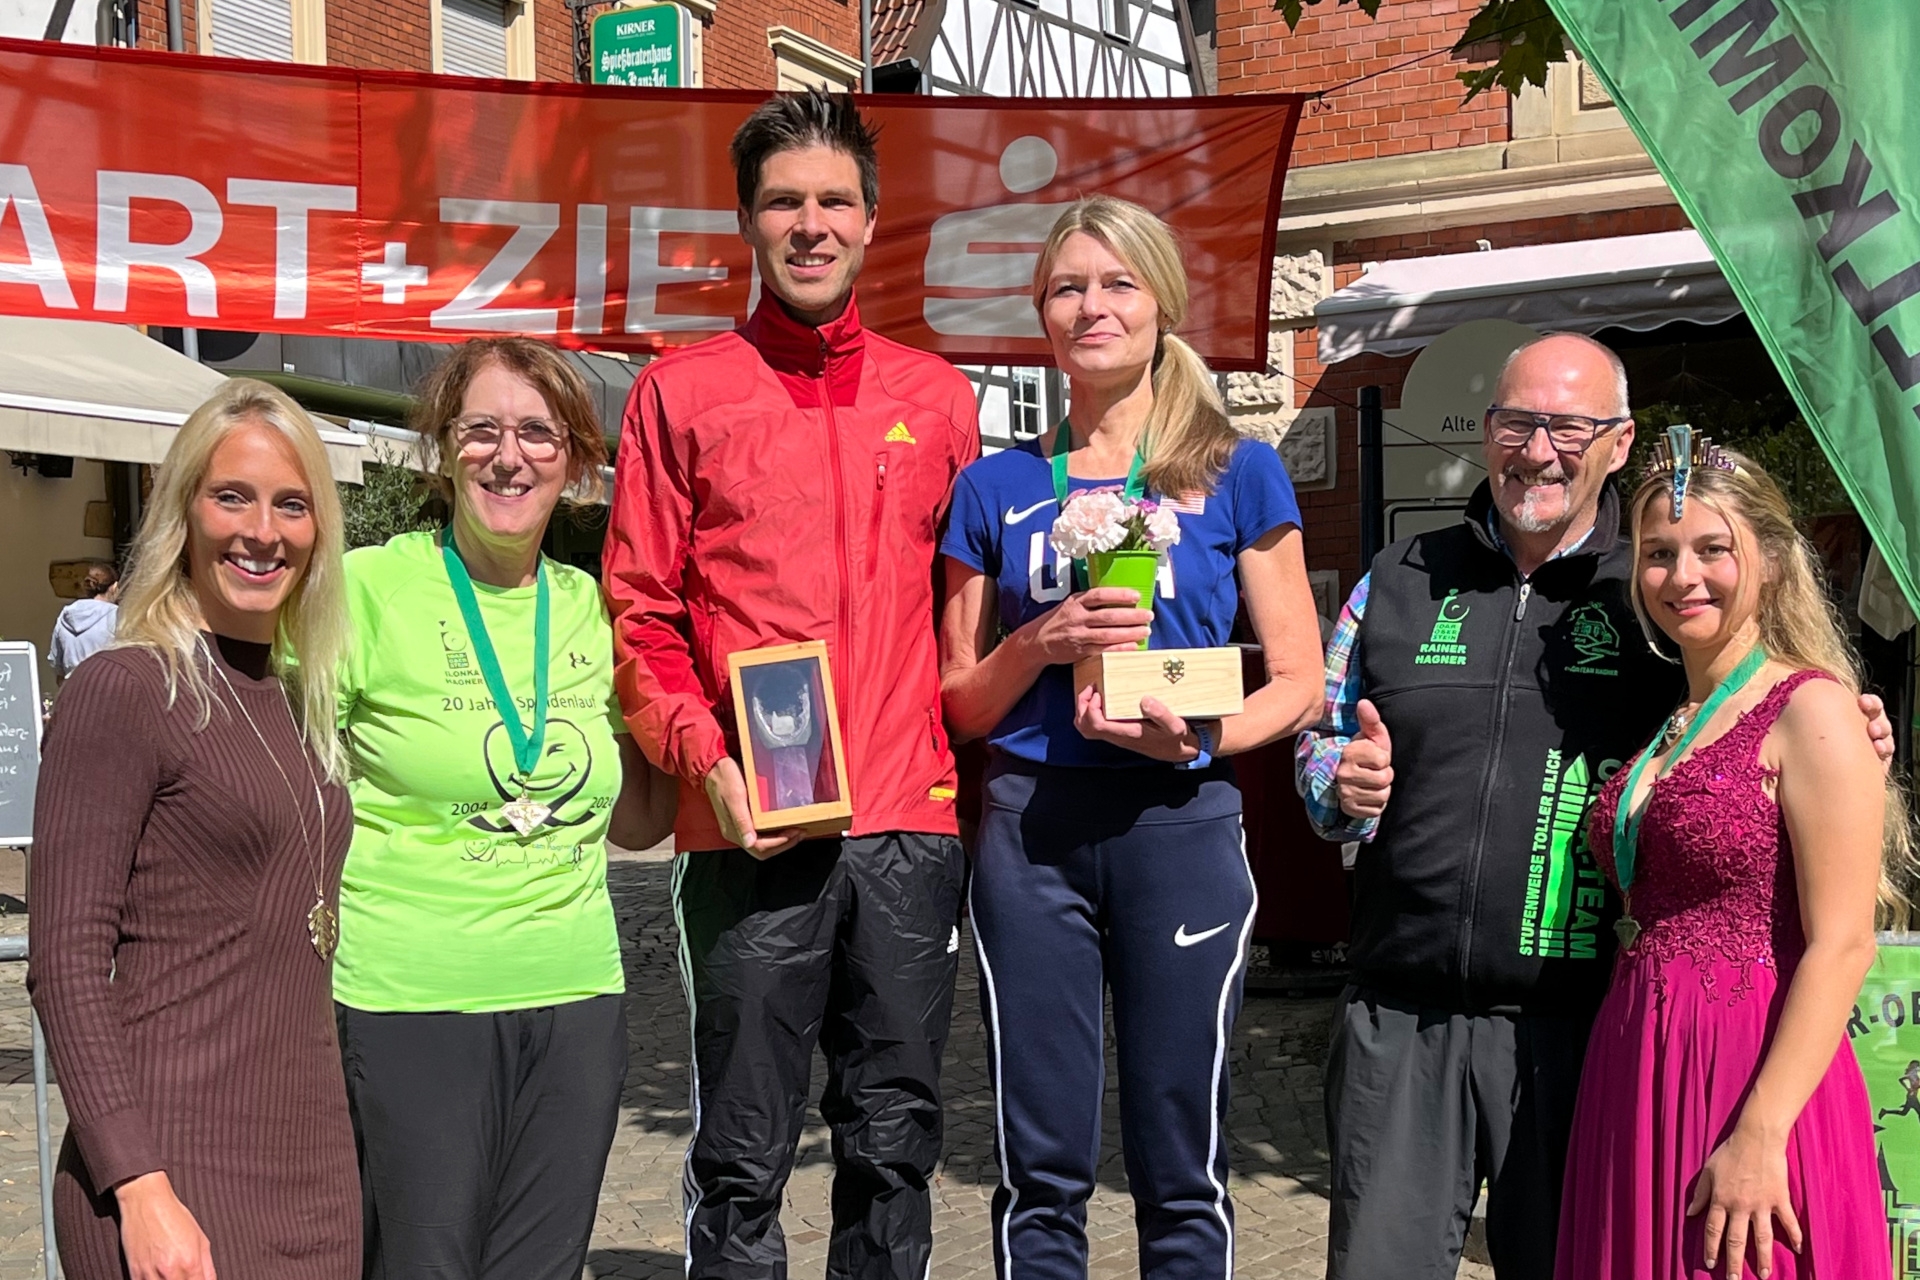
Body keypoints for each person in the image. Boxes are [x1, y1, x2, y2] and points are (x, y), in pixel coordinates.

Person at [1293, 332, 1894, 1280]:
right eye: (1518, 423)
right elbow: (1321, 736)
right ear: (1488, 432)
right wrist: (1338, 784)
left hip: (1578, 1032)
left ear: (1617, 442)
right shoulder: (1398, 577)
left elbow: (1756, 731)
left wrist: (1850, 732)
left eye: (1568, 427)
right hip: (1402, 1014)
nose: (1538, 450)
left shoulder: (1653, 595)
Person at [603, 89, 979, 1280]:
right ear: (747, 222)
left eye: (832, 200)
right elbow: (641, 612)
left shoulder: (939, 400)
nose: (809, 224)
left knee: (894, 1144)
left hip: (910, 825)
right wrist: (701, 756)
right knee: (742, 1153)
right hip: (748, 830)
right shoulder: (684, 392)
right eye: (783, 202)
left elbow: (972, 616)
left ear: (871, 221)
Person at [937, 195, 1325, 1280]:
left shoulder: (1237, 471)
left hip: (1180, 824)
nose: (1092, 306)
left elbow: (1296, 677)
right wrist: (1040, 642)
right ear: (1041, 313)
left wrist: (1201, 742)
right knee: (1041, 1163)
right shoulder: (995, 486)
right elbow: (961, 700)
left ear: (1162, 302)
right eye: (1069, 286)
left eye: (1117, 283)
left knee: (1180, 1160)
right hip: (1032, 834)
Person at [333, 338, 673, 1280]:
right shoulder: (366, 591)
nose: (508, 455)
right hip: (413, 997)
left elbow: (636, 823)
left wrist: (719, 738)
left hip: (575, 998)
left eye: (538, 433)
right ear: (445, 448)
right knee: (423, 1264)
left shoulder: (596, 609)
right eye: (481, 430)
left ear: (573, 460)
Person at [28, 378, 359, 1279]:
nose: (263, 530)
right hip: (170, 1168)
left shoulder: (293, 699)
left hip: (309, 1169)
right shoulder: (126, 690)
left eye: (292, 504)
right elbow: (63, 963)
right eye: (232, 497)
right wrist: (138, 1183)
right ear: (183, 513)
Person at [1558, 439, 1896, 1280]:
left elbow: (1845, 942)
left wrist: (1761, 1133)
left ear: (1773, 562)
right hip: (1638, 1059)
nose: (1683, 578)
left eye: (1714, 550)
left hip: (1755, 1071)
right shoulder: (1678, 715)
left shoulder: (1810, 708)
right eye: (1661, 555)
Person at [48, 562, 118, 682]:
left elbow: (56, 663)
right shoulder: (116, 615)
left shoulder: (65, 616)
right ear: (114, 587)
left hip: (73, 688)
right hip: (107, 686)